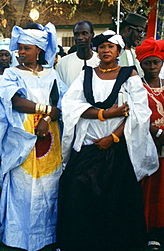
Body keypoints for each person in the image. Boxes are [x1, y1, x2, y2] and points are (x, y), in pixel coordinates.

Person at [58, 30, 158, 251]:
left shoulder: (129, 75)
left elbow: (138, 113)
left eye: (110, 47)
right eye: (102, 47)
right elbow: (71, 106)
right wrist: (105, 114)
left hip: (118, 148)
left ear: (118, 51)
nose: (106, 50)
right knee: (80, 192)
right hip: (89, 145)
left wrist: (112, 137)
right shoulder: (86, 75)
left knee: (117, 199)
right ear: (96, 50)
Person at [0, 23, 67, 251]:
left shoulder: (52, 74)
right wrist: (46, 111)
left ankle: (46, 237)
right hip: (22, 139)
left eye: (26, 48)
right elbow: (16, 102)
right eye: (20, 48)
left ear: (38, 50)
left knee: (49, 186)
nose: (21, 52)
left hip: (50, 139)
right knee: (22, 186)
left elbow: (61, 103)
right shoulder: (11, 73)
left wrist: (50, 116)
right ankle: (17, 237)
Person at [136, 38, 164, 249]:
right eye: (147, 63)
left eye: (156, 62)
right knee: (149, 190)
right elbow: (135, 116)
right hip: (146, 146)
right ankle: (148, 230)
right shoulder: (137, 88)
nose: (152, 67)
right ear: (141, 65)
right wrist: (157, 132)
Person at [56, 20, 100, 87]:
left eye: (84, 33)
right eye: (77, 34)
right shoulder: (63, 63)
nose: (80, 38)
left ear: (92, 35)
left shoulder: (100, 61)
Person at [119, 13, 147, 77]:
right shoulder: (112, 52)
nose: (141, 36)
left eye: (143, 33)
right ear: (128, 29)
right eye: (139, 31)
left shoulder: (134, 53)